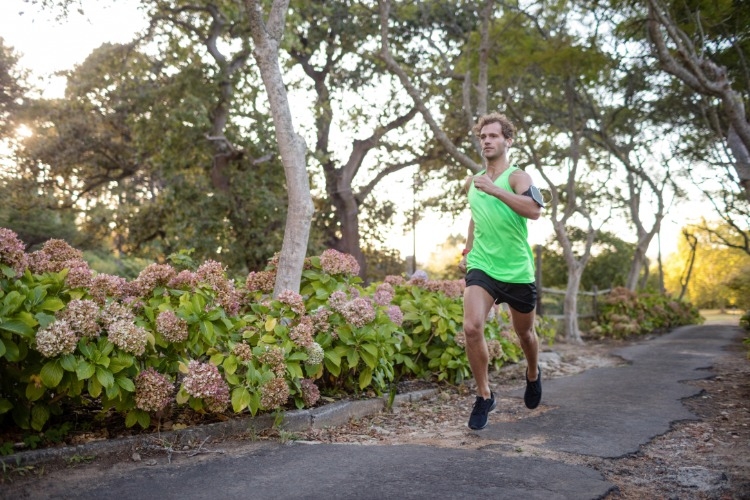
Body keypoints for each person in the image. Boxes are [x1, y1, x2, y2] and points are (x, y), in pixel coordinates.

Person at [458, 112, 545, 430]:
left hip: (518, 270)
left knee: (525, 333)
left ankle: (533, 372)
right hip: (483, 265)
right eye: (483, 136)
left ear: (508, 141)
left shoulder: (518, 177)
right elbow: (475, 216)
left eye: (494, 136)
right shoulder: (474, 180)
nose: (487, 141)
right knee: (471, 327)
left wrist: (494, 190)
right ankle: (484, 395)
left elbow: (534, 211)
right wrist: (468, 250)